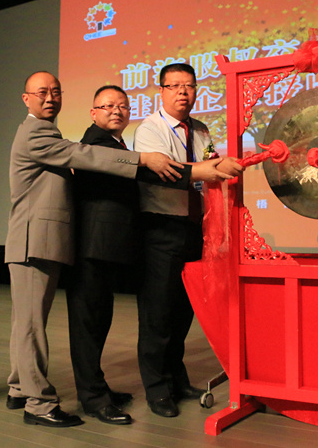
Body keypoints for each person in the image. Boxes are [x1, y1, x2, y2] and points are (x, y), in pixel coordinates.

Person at [5, 71, 192, 428]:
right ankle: (38, 404)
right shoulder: (37, 133)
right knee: (32, 327)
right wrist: (143, 160)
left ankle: (18, 388)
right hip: (36, 240)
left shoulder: (47, 132)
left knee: (26, 324)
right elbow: (83, 155)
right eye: (42, 92)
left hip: (47, 240)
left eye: (56, 91)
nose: (50, 98)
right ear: (26, 98)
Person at [67, 85, 232, 425]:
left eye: (122, 106)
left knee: (99, 322)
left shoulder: (117, 144)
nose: (116, 111)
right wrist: (192, 171)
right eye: (108, 106)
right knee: (89, 326)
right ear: (93, 113)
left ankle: (101, 390)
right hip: (92, 247)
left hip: (111, 248)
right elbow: (138, 170)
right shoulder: (95, 144)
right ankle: (93, 398)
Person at [133, 63, 244, 417]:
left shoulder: (200, 129)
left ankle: (176, 379)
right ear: (161, 91)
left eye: (189, 86)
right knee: (158, 313)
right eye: (175, 86)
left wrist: (227, 164)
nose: (183, 92)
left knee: (183, 311)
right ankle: (156, 389)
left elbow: (211, 163)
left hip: (194, 228)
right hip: (161, 229)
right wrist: (205, 170)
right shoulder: (149, 129)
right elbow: (162, 172)